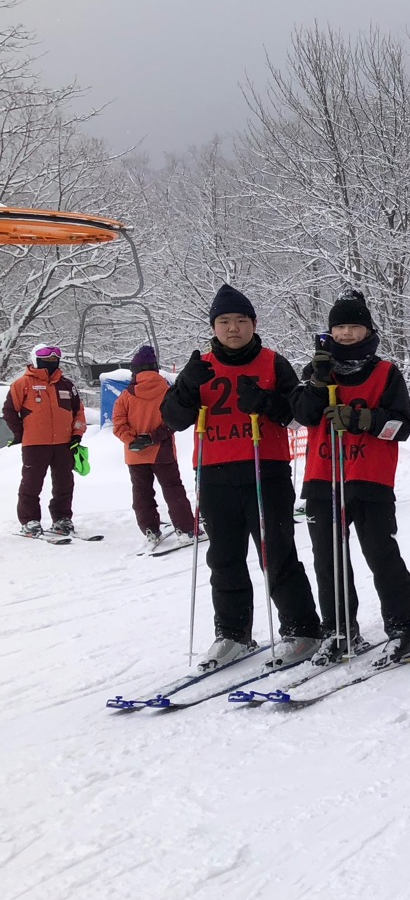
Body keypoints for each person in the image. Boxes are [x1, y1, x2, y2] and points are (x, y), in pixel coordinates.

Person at [161, 284, 322, 666]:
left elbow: (297, 413)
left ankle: (302, 628)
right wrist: (186, 385)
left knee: (277, 553)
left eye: (241, 321)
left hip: (265, 471)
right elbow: (172, 420)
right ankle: (232, 634)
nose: (233, 328)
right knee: (223, 558)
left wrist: (265, 402)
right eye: (224, 322)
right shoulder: (200, 367)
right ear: (213, 327)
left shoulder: (272, 362)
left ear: (253, 323)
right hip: (215, 473)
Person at [290, 291, 410, 663]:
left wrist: (365, 420)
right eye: (340, 326)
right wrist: (319, 380)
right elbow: (304, 415)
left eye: (354, 326)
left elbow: (402, 427)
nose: (347, 333)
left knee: (381, 555)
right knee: (328, 559)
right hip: (323, 476)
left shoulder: (385, 372)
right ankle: (339, 629)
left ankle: (409, 626)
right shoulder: (317, 369)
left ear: (368, 329)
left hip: (369, 478)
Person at [111, 344, 199, 548]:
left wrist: (132, 440)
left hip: (135, 455)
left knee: (142, 493)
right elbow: (173, 421)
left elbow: (118, 423)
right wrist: (154, 437)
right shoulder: (168, 391)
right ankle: (186, 529)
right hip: (163, 452)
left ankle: (150, 529)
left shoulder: (126, 396)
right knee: (173, 490)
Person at [5, 344, 87, 537]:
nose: (50, 363)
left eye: (53, 360)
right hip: (35, 445)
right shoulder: (22, 384)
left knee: (64, 483)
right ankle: (30, 521)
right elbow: (9, 411)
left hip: (63, 444)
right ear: (35, 360)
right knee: (31, 484)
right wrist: (21, 433)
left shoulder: (66, 384)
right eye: (45, 360)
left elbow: (78, 412)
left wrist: (77, 435)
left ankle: (62, 519)